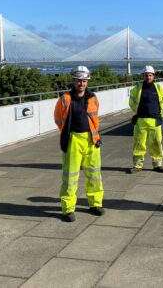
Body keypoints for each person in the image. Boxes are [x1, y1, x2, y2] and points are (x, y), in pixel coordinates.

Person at [54, 66, 104, 222]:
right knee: (70, 177)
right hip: (73, 140)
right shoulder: (65, 99)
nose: (81, 84)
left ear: (87, 82)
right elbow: (58, 119)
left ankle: (95, 204)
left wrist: (95, 136)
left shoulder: (93, 98)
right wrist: (67, 133)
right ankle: (68, 209)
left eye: (84, 81)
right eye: (79, 81)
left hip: (91, 140)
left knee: (94, 175)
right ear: (74, 81)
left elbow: (95, 119)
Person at [128, 65, 163, 173]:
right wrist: (138, 111)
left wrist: (159, 115)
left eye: (150, 75)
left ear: (154, 76)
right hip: (141, 120)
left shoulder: (159, 88)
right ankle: (137, 165)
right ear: (143, 76)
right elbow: (131, 102)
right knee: (139, 143)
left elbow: (162, 102)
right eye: (146, 75)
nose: (148, 77)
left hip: (155, 121)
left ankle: (157, 165)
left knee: (156, 143)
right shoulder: (137, 88)